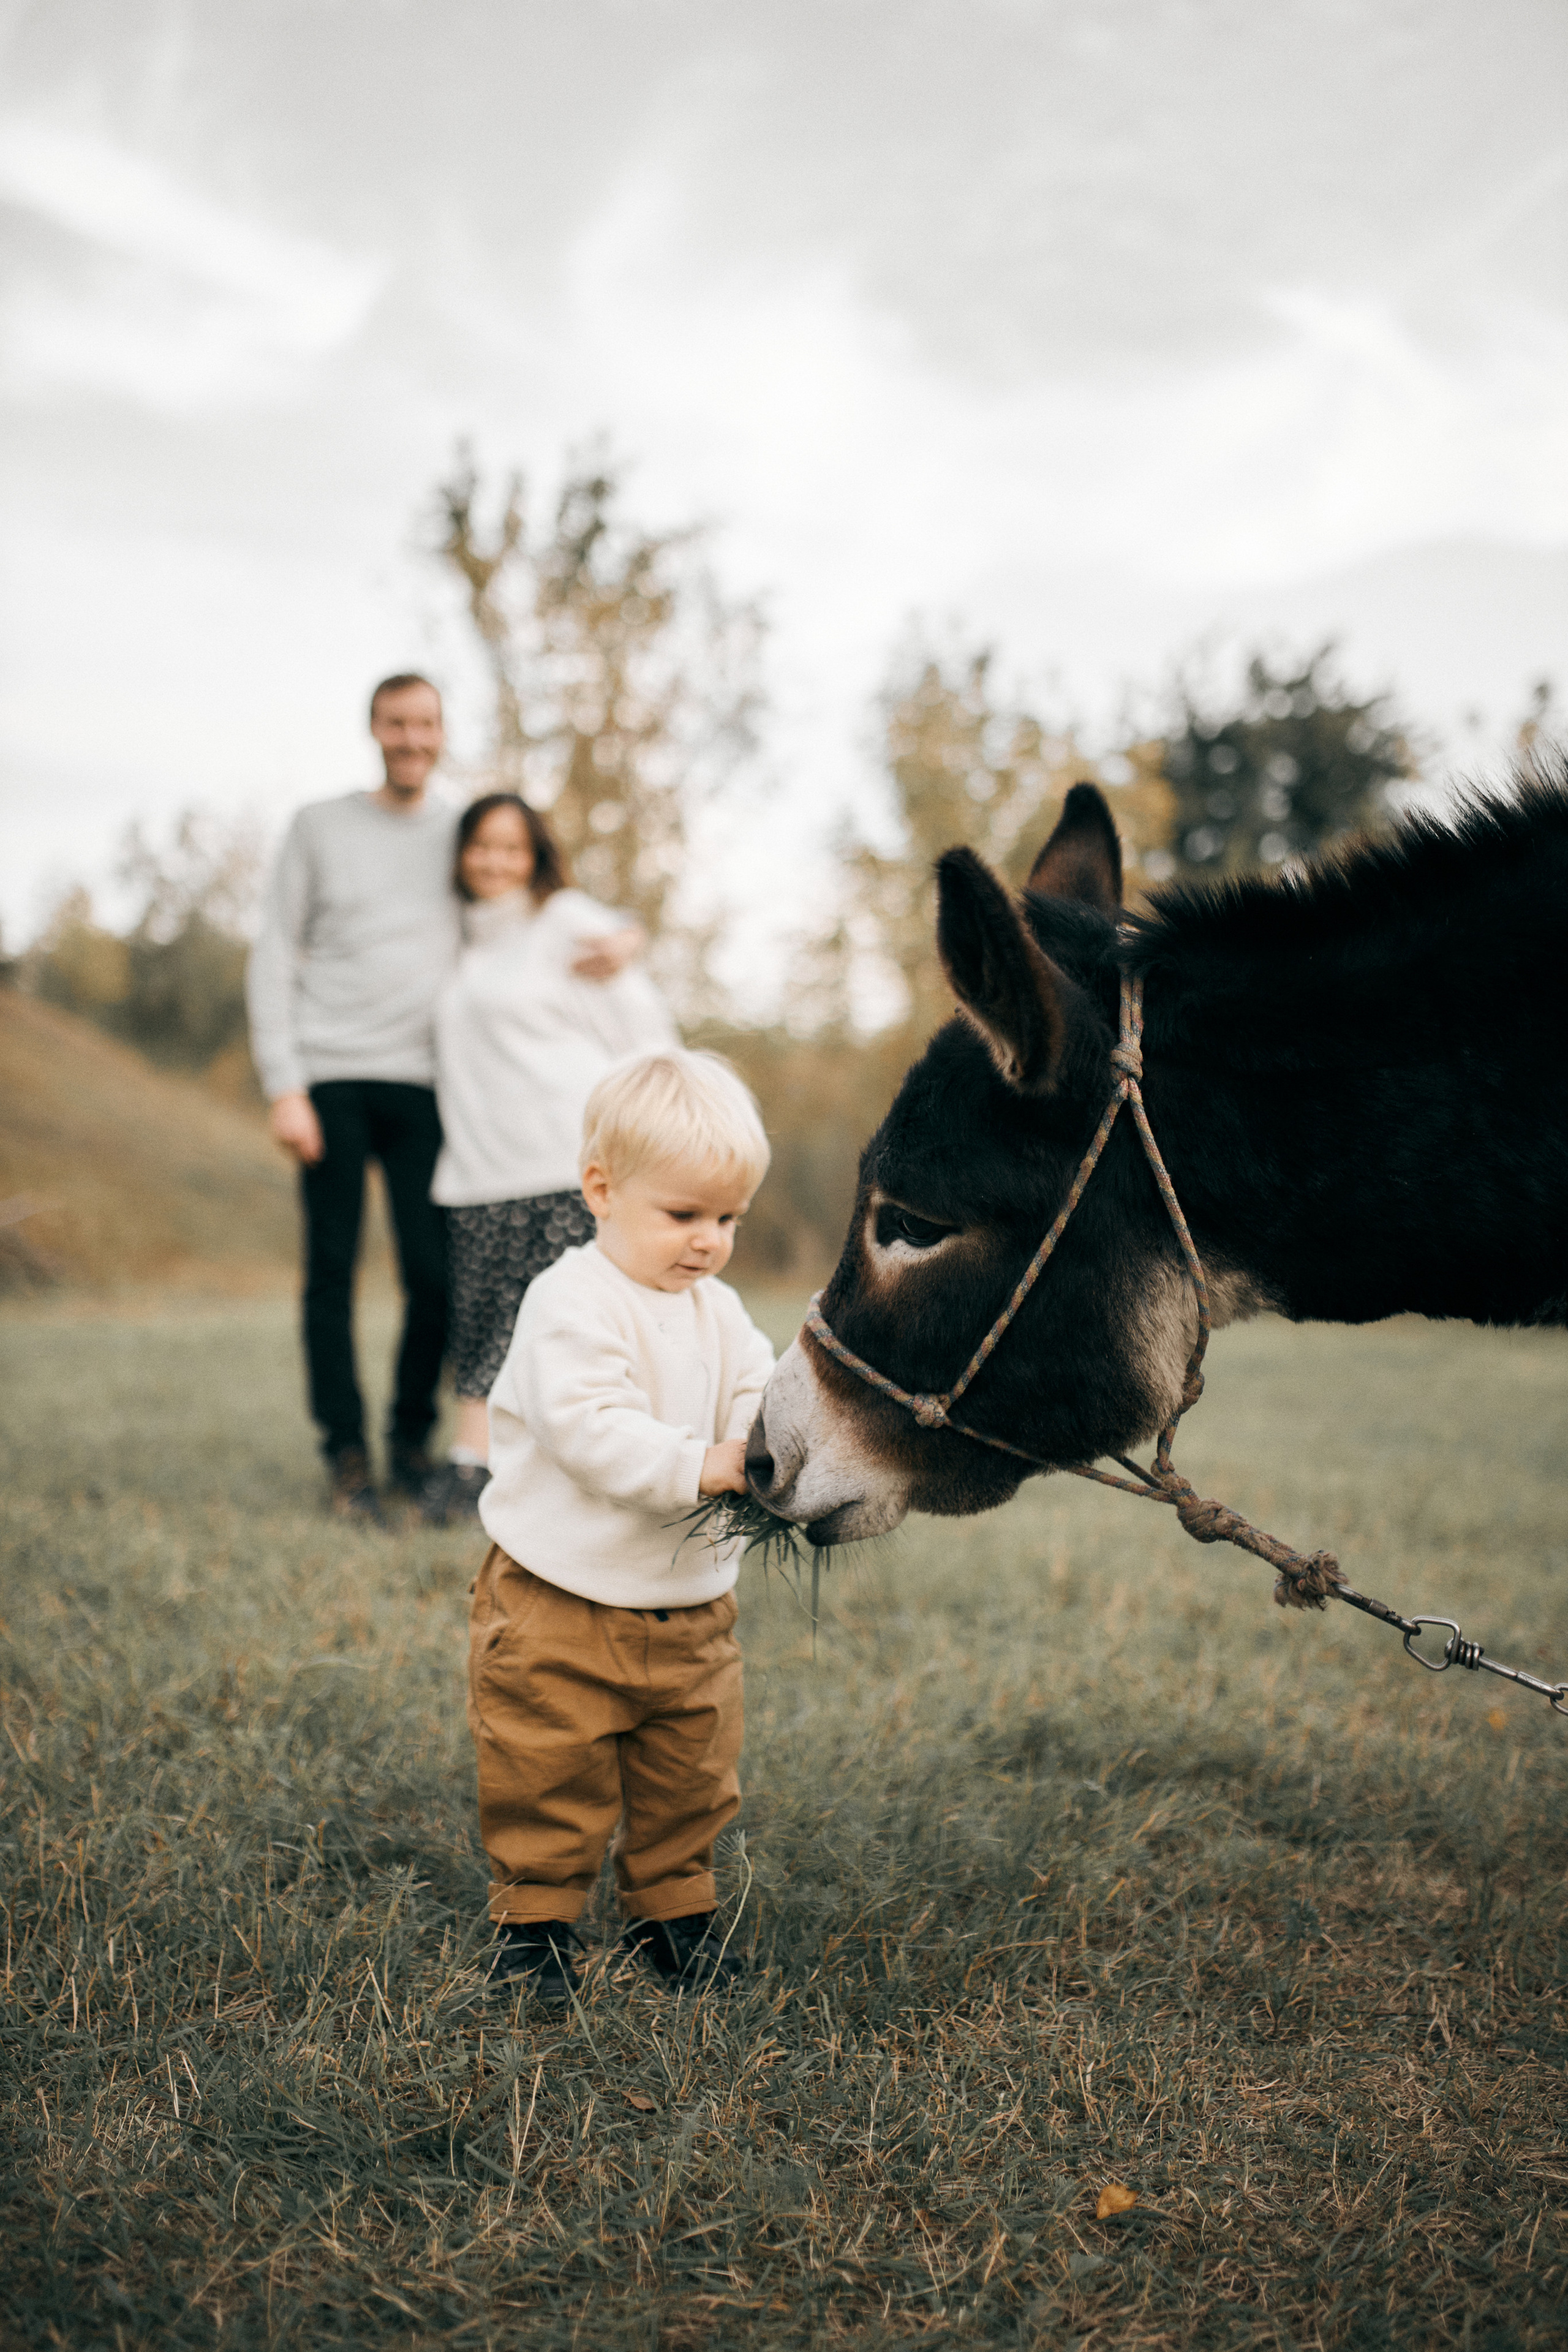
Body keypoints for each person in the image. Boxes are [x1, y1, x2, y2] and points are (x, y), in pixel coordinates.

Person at [245, 674, 641, 1519]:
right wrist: (285, 1085)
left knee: (435, 1278)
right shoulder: (318, 827)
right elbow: (275, 952)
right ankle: (347, 1459)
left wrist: (628, 935)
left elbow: (529, 902)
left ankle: (413, 1445)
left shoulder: (462, 833)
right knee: (331, 1274)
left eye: (425, 723)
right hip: (333, 1076)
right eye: (396, 723)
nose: (411, 737)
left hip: (428, 1085)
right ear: (374, 728)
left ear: (440, 732)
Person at [467, 1049, 775, 2002]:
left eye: (728, 1218)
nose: (708, 1241)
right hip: (559, 1598)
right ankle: (536, 1923)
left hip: (688, 1609)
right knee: (546, 1764)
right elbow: (589, 1428)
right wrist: (701, 1465)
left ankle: (673, 1911)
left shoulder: (718, 1309)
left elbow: (759, 1388)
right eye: (683, 1215)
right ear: (600, 1189)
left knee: (691, 1768)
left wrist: (760, 1440)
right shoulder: (570, 1301)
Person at [424, 791, 677, 1525]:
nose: (495, 861)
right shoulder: (459, 940)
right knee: (478, 1324)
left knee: (563, 1326)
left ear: (535, 857)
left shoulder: (565, 920)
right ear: (461, 855)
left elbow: (647, 1026)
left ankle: (557, 1473)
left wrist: (663, 1132)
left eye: (513, 847)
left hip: (561, 1162)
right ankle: (481, 1468)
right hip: (476, 1170)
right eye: (481, 846)